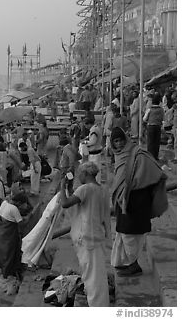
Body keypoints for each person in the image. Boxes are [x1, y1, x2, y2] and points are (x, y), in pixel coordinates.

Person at [109, 127, 167, 277]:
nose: (119, 144)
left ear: (126, 139)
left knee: (131, 234)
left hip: (138, 200)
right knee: (123, 231)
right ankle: (127, 263)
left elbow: (157, 172)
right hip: (125, 201)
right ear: (112, 144)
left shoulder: (139, 154)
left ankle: (134, 265)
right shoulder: (119, 156)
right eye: (116, 141)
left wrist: (140, 182)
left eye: (121, 140)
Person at [59, 162, 111, 306]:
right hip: (97, 236)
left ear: (86, 174)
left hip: (87, 238)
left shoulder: (85, 189)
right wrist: (69, 187)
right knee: (96, 275)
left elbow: (65, 203)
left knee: (93, 278)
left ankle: (97, 306)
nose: (78, 177)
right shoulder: (102, 189)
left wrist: (62, 187)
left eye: (80, 174)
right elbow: (77, 202)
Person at [0, 193, 28, 281]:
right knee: (10, 253)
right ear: (19, 203)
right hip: (9, 233)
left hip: (0, 231)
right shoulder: (14, 209)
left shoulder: (4, 203)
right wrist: (29, 217)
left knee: (2, 252)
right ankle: (9, 273)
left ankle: (5, 270)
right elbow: (21, 224)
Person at [143, 94, 164, 160]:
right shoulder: (161, 110)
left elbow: (144, 119)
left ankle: (150, 157)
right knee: (156, 142)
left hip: (150, 126)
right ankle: (155, 156)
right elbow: (163, 118)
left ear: (152, 102)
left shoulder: (149, 109)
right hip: (158, 126)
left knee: (150, 142)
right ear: (159, 102)